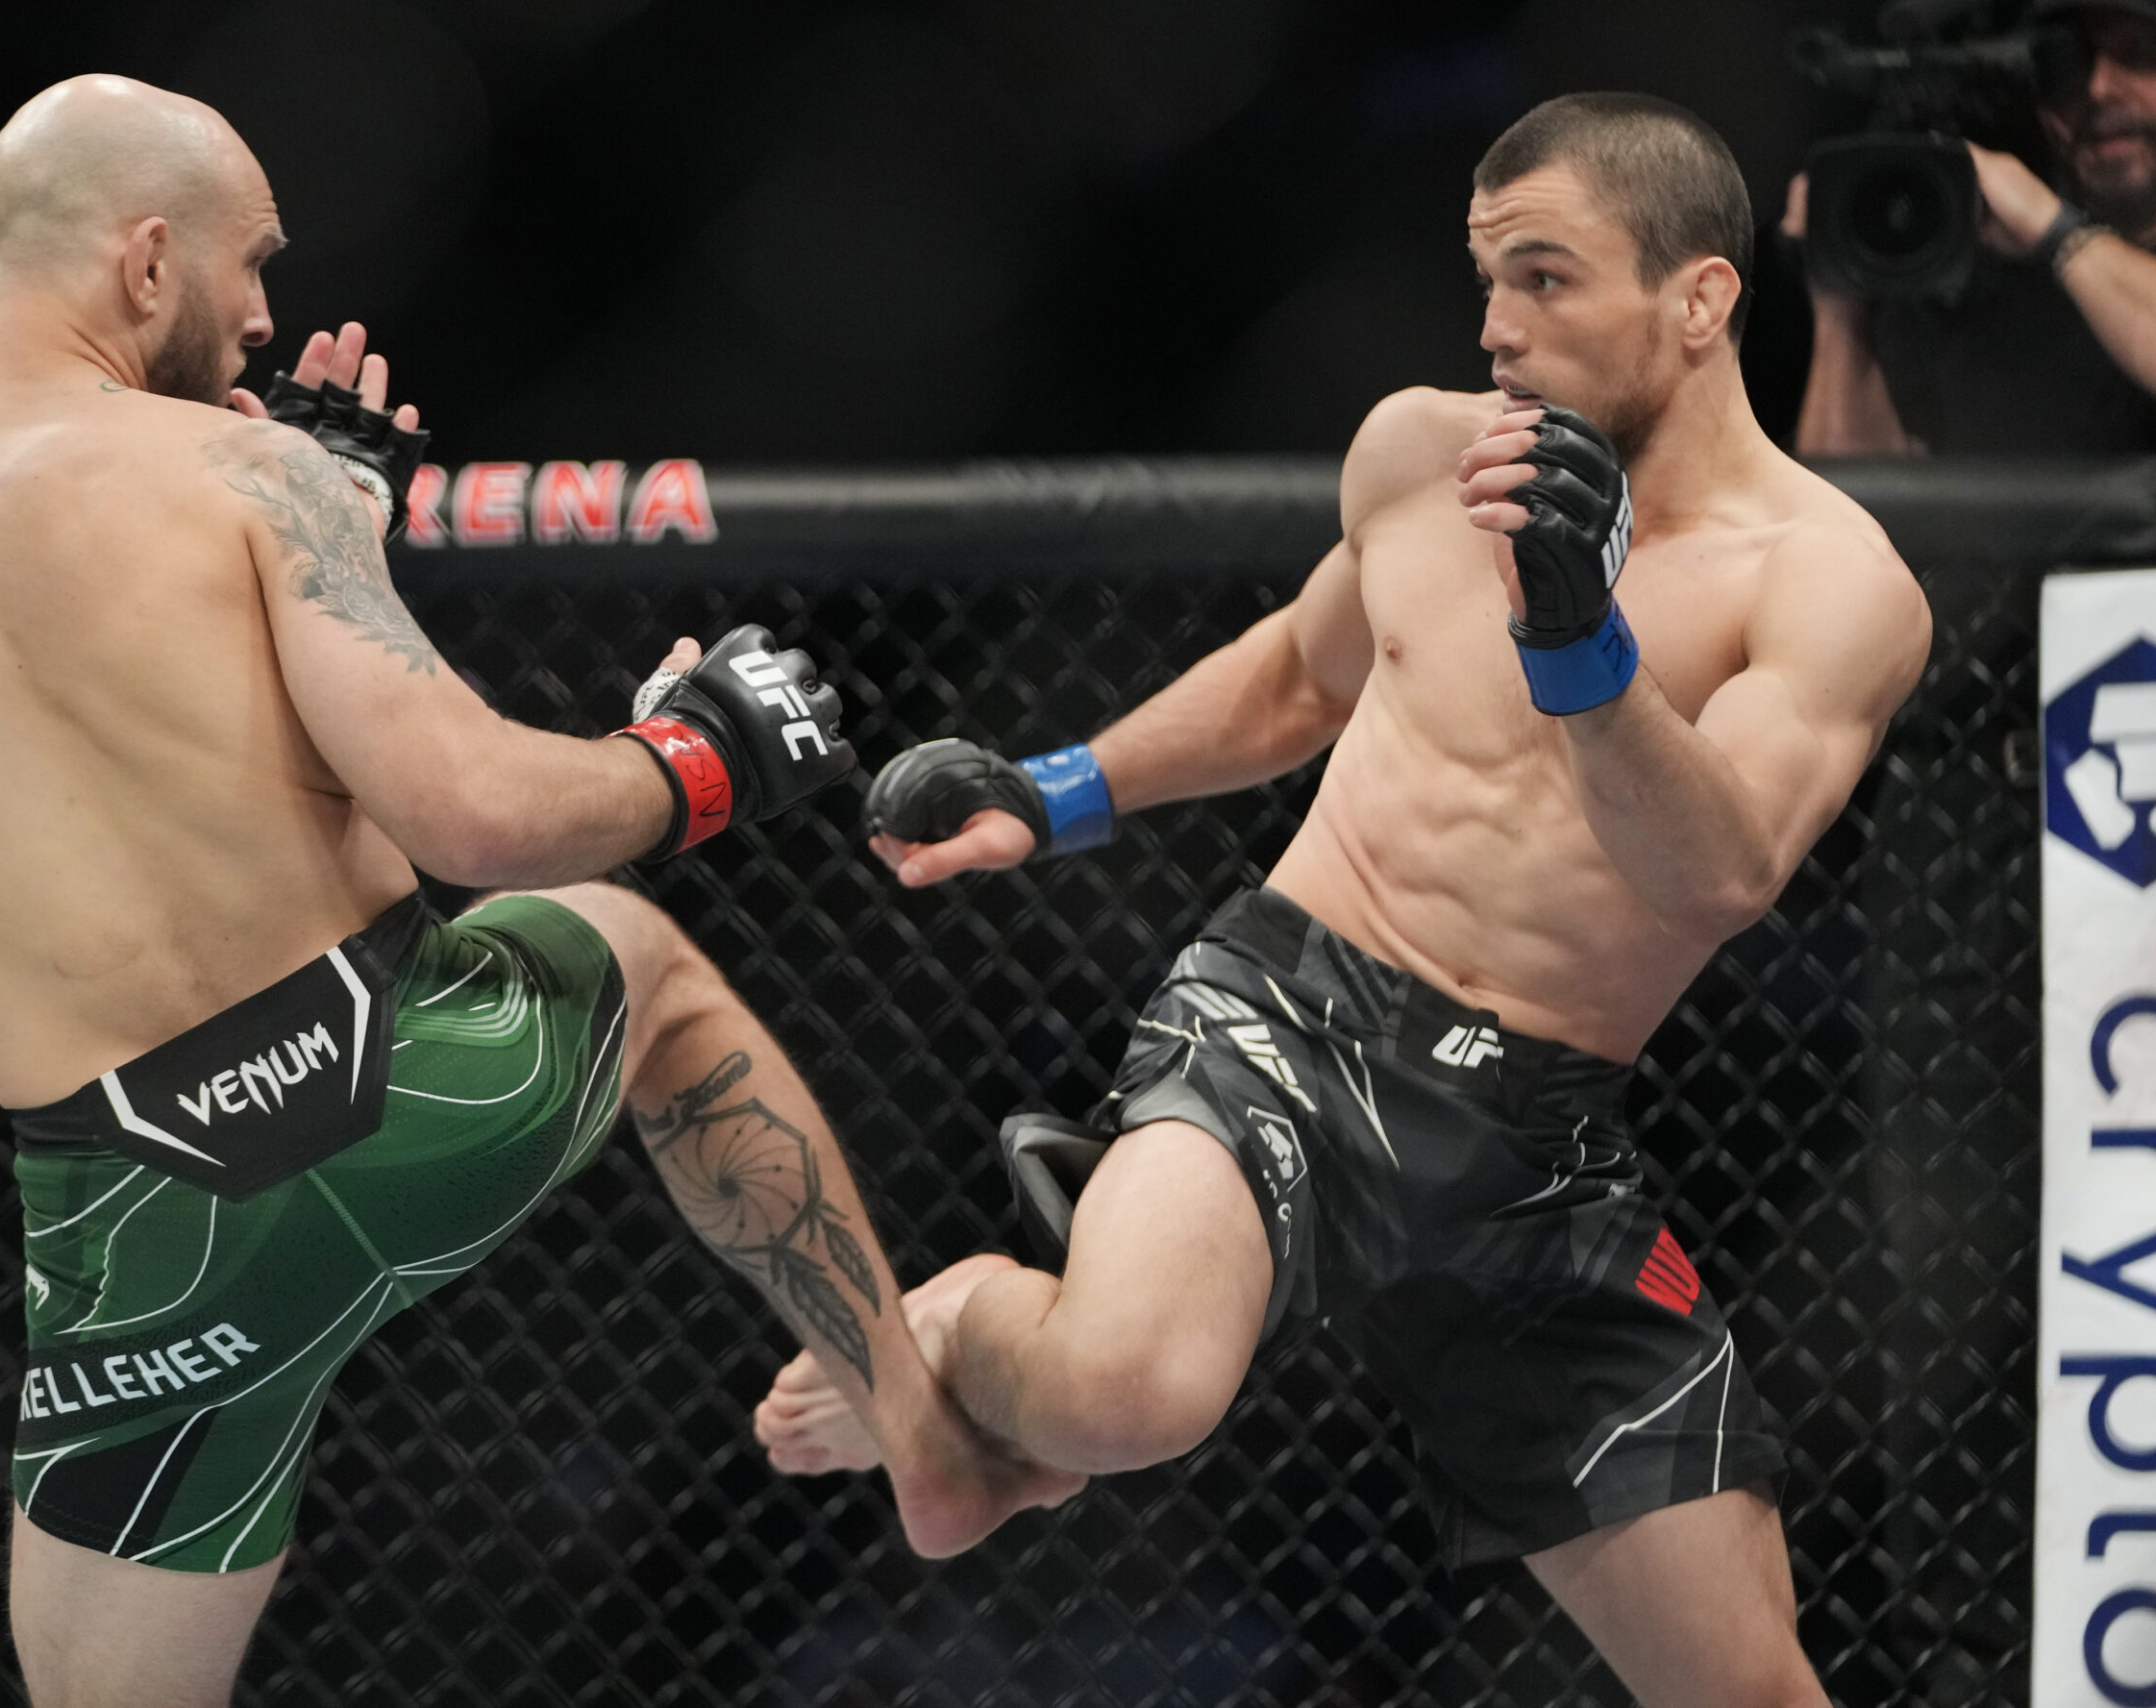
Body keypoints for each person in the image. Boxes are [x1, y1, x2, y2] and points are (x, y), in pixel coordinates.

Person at [0, 75, 1076, 1708]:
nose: (265, 315)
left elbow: (70, 817)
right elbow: (477, 815)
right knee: (635, 955)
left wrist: (326, 526)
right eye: (252, 265)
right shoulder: (242, 481)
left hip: (130, 1223)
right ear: (149, 264)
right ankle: (922, 1433)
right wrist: (697, 751)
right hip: (395, 1083)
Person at [756, 91, 1933, 1708]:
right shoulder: (1423, 449)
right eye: (1486, 280)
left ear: (1703, 299)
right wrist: (1056, 789)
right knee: (1125, 1389)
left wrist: (1582, 635)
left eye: (1546, 280)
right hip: (1291, 1011)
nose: (1499, 329)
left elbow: (1724, 868)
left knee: (1750, 1690)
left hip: (1532, 1143)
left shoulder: (1831, 578)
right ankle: (955, 1331)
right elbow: (1306, 675)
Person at [1795, 0, 2156, 455]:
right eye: (2063, 64)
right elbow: (1851, 493)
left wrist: (2056, 230)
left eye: (2140, 56)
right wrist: (1840, 295)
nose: (2097, 88)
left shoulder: (2045, 230)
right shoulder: (1975, 281)